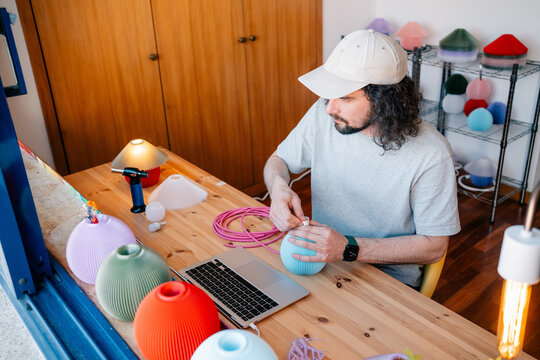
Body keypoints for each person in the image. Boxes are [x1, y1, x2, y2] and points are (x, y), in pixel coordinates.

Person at [263, 29, 460, 289]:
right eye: (330, 94)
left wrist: (348, 248)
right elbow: (278, 160)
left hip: (386, 283)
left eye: (345, 97)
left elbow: (434, 247)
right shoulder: (325, 115)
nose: (329, 108)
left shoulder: (432, 154)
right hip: (321, 264)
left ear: (387, 100)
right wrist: (278, 188)